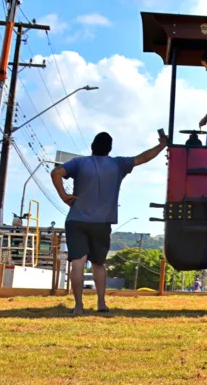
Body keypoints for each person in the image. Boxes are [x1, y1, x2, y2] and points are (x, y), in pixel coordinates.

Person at [51, 131, 168, 314]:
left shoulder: (79, 163)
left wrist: (64, 196)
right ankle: (101, 303)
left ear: (92, 146)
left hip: (76, 219)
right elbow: (142, 158)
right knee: (98, 263)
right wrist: (162, 145)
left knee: (78, 263)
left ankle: (79, 306)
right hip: (102, 222)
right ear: (110, 149)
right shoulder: (117, 164)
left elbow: (56, 172)